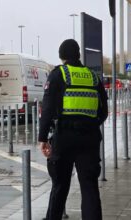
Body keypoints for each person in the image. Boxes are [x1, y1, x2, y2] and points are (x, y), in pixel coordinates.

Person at [38, 39, 108, 220]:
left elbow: (47, 109)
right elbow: (104, 111)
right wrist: (91, 125)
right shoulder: (93, 77)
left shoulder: (58, 74)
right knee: (89, 186)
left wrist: (43, 138)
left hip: (64, 138)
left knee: (60, 185)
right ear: (78, 55)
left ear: (61, 56)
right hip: (90, 138)